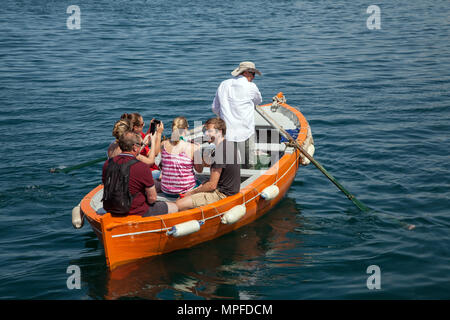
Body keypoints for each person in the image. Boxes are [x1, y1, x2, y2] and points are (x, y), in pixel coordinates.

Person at [102, 131, 178, 217]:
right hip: (137, 211)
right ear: (134, 147)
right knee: (175, 207)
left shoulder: (107, 164)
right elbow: (152, 199)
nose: (141, 146)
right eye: (140, 144)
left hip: (111, 209)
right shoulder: (141, 166)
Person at [175, 118, 241, 211]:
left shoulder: (220, 152)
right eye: (206, 131)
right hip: (230, 189)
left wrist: (192, 193)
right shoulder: (227, 144)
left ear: (219, 131)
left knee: (179, 203)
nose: (206, 134)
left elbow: (212, 185)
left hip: (221, 194)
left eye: (210, 131)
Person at [212, 61, 262, 168]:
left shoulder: (223, 84)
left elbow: (215, 108)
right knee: (249, 163)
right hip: (246, 131)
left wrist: (224, 116)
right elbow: (258, 101)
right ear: (246, 73)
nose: (253, 77)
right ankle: (251, 179)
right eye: (253, 74)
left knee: (229, 163)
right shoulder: (251, 87)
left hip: (227, 132)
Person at [159, 117, 204, 197]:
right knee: (203, 184)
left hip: (166, 191)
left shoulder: (163, 144)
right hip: (185, 191)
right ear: (186, 129)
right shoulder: (192, 147)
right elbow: (199, 170)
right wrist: (198, 151)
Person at [121, 113, 163, 178]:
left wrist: (150, 129)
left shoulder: (130, 136)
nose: (144, 125)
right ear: (135, 127)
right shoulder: (136, 141)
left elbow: (145, 139)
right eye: (142, 124)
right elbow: (155, 153)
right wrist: (159, 134)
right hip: (147, 169)